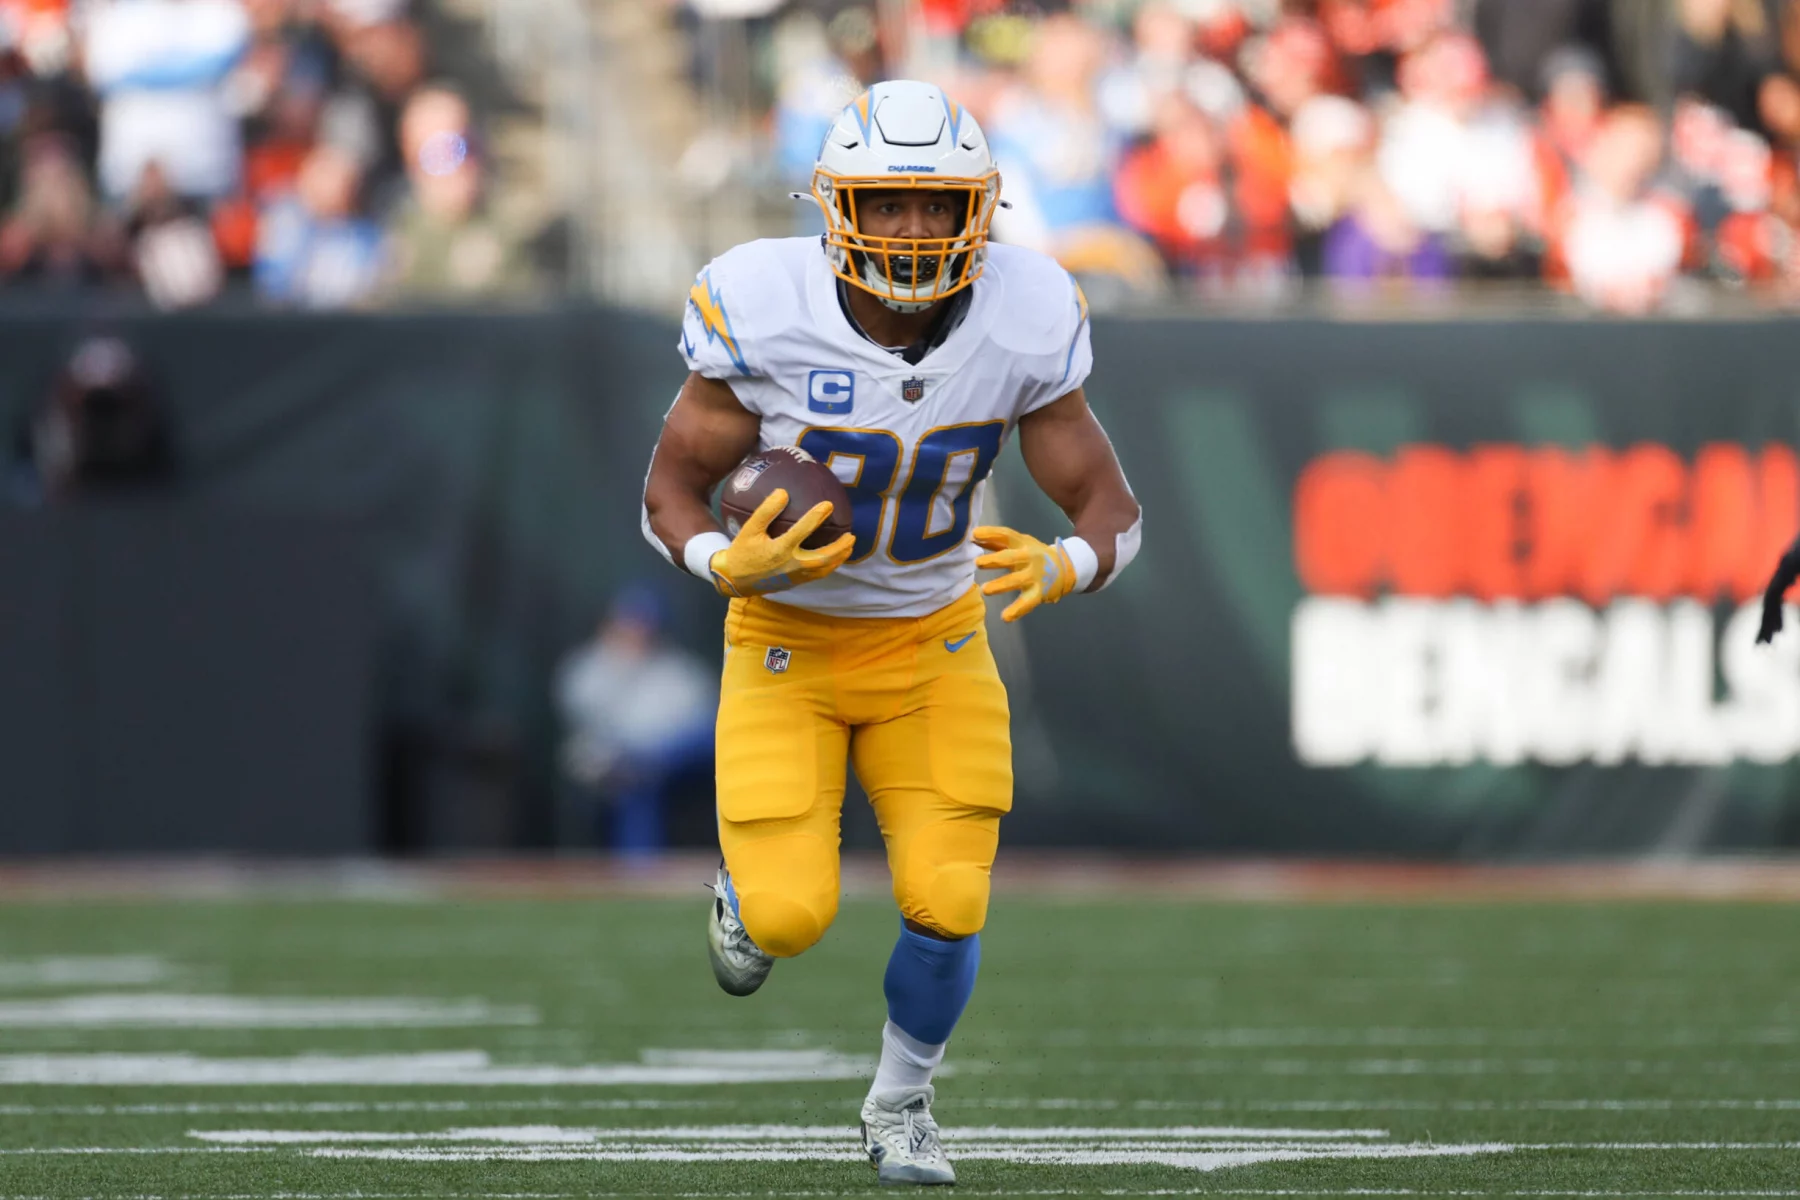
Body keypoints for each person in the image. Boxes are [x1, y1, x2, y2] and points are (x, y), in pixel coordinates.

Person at [640, 80, 1142, 1186]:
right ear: (833, 205)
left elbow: (1113, 508)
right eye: (886, 203)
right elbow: (668, 488)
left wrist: (1067, 564)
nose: (914, 230)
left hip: (933, 640)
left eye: (938, 206)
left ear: (983, 209)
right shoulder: (763, 302)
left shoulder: (1028, 310)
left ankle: (901, 1104)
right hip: (789, 641)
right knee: (789, 913)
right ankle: (743, 893)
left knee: (951, 894)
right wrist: (723, 561)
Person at [554, 584, 716, 855]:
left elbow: (702, 722)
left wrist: (652, 755)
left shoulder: (678, 667)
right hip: (608, 760)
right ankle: (640, 875)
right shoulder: (587, 666)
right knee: (636, 779)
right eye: (631, 623)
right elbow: (590, 726)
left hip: (675, 761)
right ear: (611, 624)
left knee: (654, 765)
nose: (639, 631)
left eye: (646, 624)